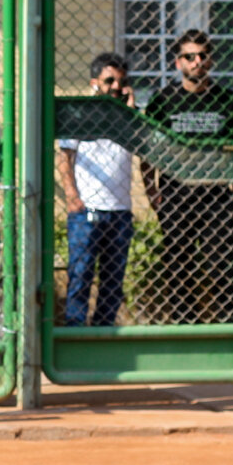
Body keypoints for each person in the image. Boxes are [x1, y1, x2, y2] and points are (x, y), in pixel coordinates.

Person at [142, 29, 233, 324]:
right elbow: (148, 150)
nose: (197, 62)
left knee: (222, 264)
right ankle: (184, 328)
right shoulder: (163, 101)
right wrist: (152, 191)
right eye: (190, 57)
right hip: (176, 192)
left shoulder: (228, 101)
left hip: (216, 194)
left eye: (202, 56)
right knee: (179, 263)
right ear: (178, 63)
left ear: (211, 60)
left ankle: (230, 327)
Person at [57, 52, 137, 327]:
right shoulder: (80, 114)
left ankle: (103, 334)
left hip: (120, 212)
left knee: (113, 281)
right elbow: (64, 158)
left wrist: (131, 112)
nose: (115, 86)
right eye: (109, 80)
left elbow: (143, 149)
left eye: (120, 81)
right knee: (80, 275)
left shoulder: (131, 117)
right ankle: (75, 333)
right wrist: (72, 198)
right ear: (95, 82)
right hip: (86, 210)